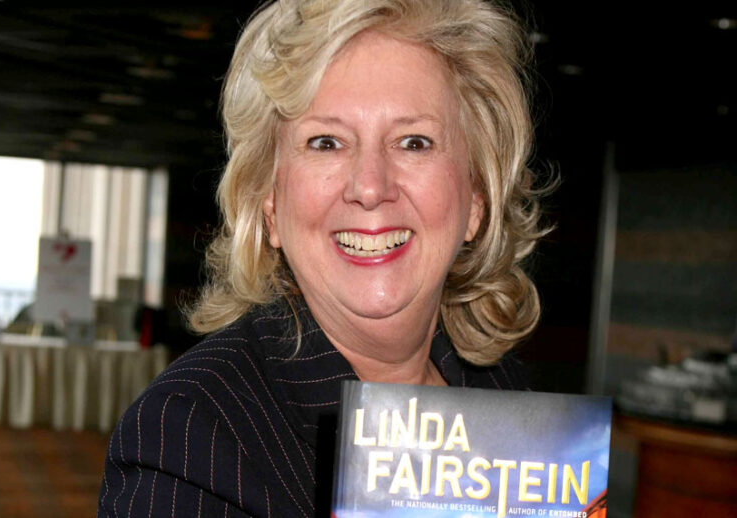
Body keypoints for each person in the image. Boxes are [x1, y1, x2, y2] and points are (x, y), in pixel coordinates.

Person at [98, 0, 547, 516]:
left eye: (414, 142)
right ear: (269, 204)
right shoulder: (191, 435)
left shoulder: (508, 401)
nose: (371, 187)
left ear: (476, 199)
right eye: (327, 142)